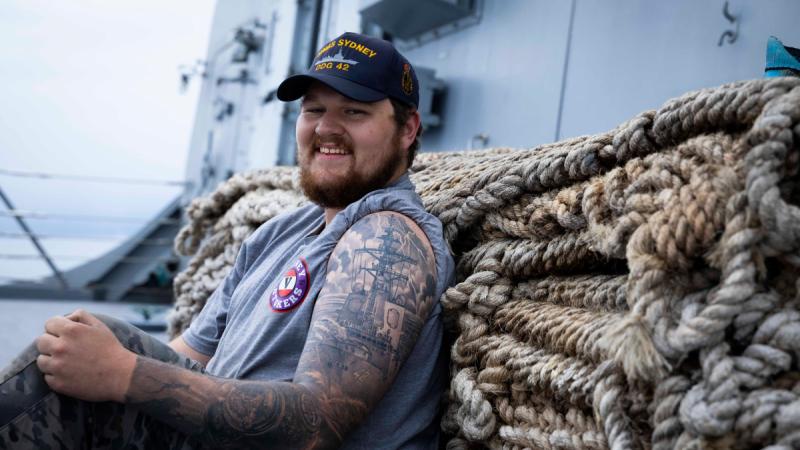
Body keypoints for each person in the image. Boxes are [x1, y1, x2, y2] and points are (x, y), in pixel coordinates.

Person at [0, 31, 455, 449]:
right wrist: (97, 357)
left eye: (354, 111)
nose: (325, 129)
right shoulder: (279, 234)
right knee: (85, 341)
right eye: (314, 109)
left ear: (408, 129)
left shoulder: (387, 240)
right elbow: (185, 357)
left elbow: (317, 423)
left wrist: (123, 373)